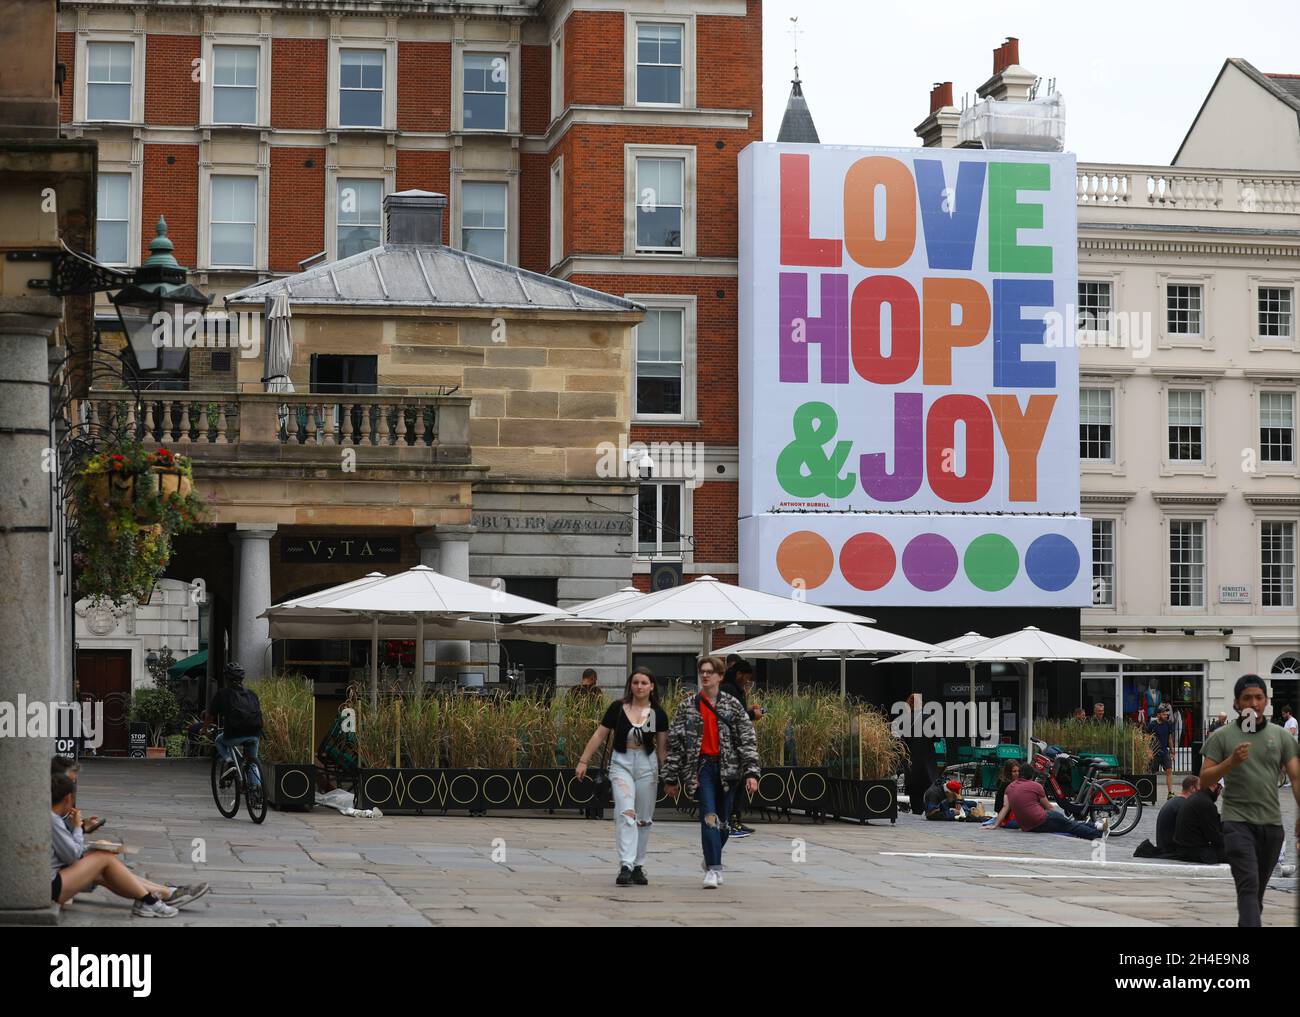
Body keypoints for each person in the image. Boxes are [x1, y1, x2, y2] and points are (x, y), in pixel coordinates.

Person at [1199, 674, 1300, 927]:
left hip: (1272, 826)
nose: (1253, 703)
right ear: (1237, 703)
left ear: (1266, 701)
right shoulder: (1222, 737)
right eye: (1247, 698)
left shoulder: (1281, 736)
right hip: (1237, 823)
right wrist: (1230, 762)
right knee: (1249, 885)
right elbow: (1203, 779)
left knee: (1255, 894)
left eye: (1258, 697)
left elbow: (1296, 778)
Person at [662, 655, 760, 889]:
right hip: (702, 768)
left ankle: (710, 858)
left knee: (724, 824)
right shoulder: (688, 706)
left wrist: (752, 773)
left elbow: (747, 739)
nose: (705, 675)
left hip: (729, 769)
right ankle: (715, 870)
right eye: (702, 672)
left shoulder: (732, 704)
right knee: (709, 817)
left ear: (720, 676)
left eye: (710, 672)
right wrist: (670, 777)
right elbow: (675, 744)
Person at [50, 774, 208, 916]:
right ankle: (150, 901)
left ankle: (163, 894)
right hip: (50, 886)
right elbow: (72, 855)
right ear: (68, 798)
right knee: (104, 858)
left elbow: (65, 850)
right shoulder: (53, 820)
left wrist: (90, 844)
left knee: (103, 864)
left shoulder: (53, 818)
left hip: (55, 878)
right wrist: (78, 827)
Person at [575, 668, 668, 886]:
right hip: (621, 763)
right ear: (630, 685)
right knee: (626, 813)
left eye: (644, 682)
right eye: (635, 682)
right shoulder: (618, 708)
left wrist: (669, 774)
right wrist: (583, 760)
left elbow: (662, 746)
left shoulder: (657, 714)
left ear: (652, 686)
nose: (639, 686)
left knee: (644, 818)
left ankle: (638, 865)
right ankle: (626, 864)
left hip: (647, 765)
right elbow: (600, 734)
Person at [985, 767, 1104, 840]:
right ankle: (1096, 833)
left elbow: (1005, 807)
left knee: (1066, 824)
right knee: (1068, 825)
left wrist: (995, 825)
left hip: (1028, 827)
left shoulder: (1009, 787)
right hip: (1041, 819)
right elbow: (1049, 807)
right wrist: (1060, 817)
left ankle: (1096, 825)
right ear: (1031, 776)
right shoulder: (1036, 786)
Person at [719, 658, 763, 838]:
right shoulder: (729, 690)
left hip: (736, 746)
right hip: (731, 748)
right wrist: (752, 714)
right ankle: (729, 823)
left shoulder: (735, 689)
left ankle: (734, 821)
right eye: (746, 678)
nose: (747, 681)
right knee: (733, 786)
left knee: (737, 787)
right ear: (738, 674)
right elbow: (734, 717)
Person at [204, 661, 263, 790]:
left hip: (234, 735)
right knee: (252, 762)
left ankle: (230, 762)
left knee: (219, 740)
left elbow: (210, 715)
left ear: (226, 678)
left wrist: (205, 730)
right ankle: (257, 793)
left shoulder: (222, 694)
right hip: (255, 734)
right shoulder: (252, 694)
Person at [1173, 779, 1227, 865]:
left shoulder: (1197, 797)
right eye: (1219, 789)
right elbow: (1215, 837)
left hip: (1183, 849)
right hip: (1195, 852)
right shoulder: (1206, 803)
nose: (1219, 793)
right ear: (1214, 785)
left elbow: (1215, 822)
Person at [1156, 775, 1199, 852]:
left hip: (1163, 846)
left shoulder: (1175, 801)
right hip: (1171, 849)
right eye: (1199, 788)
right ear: (1192, 788)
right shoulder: (1184, 805)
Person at [1147, 703, 1176, 799]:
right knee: (1152, 773)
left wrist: (1172, 751)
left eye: (1166, 714)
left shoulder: (1168, 724)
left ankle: (1170, 793)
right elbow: (1147, 739)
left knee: (1169, 771)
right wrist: (1148, 751)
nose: (1166, 716)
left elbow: (1169, 738)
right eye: (1164, 714)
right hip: (1154, 752)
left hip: (1164, 751)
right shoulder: (1152, 725)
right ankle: (1150, 793)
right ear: (1158, 715)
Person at [992, 761, 1021, 828]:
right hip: (1007, 818)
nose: (1017, 773)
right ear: (1008, 773)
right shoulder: (1007, 785)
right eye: (1014, 771)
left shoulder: (1011, 783)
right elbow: (1004, 806)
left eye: (1018, 771)